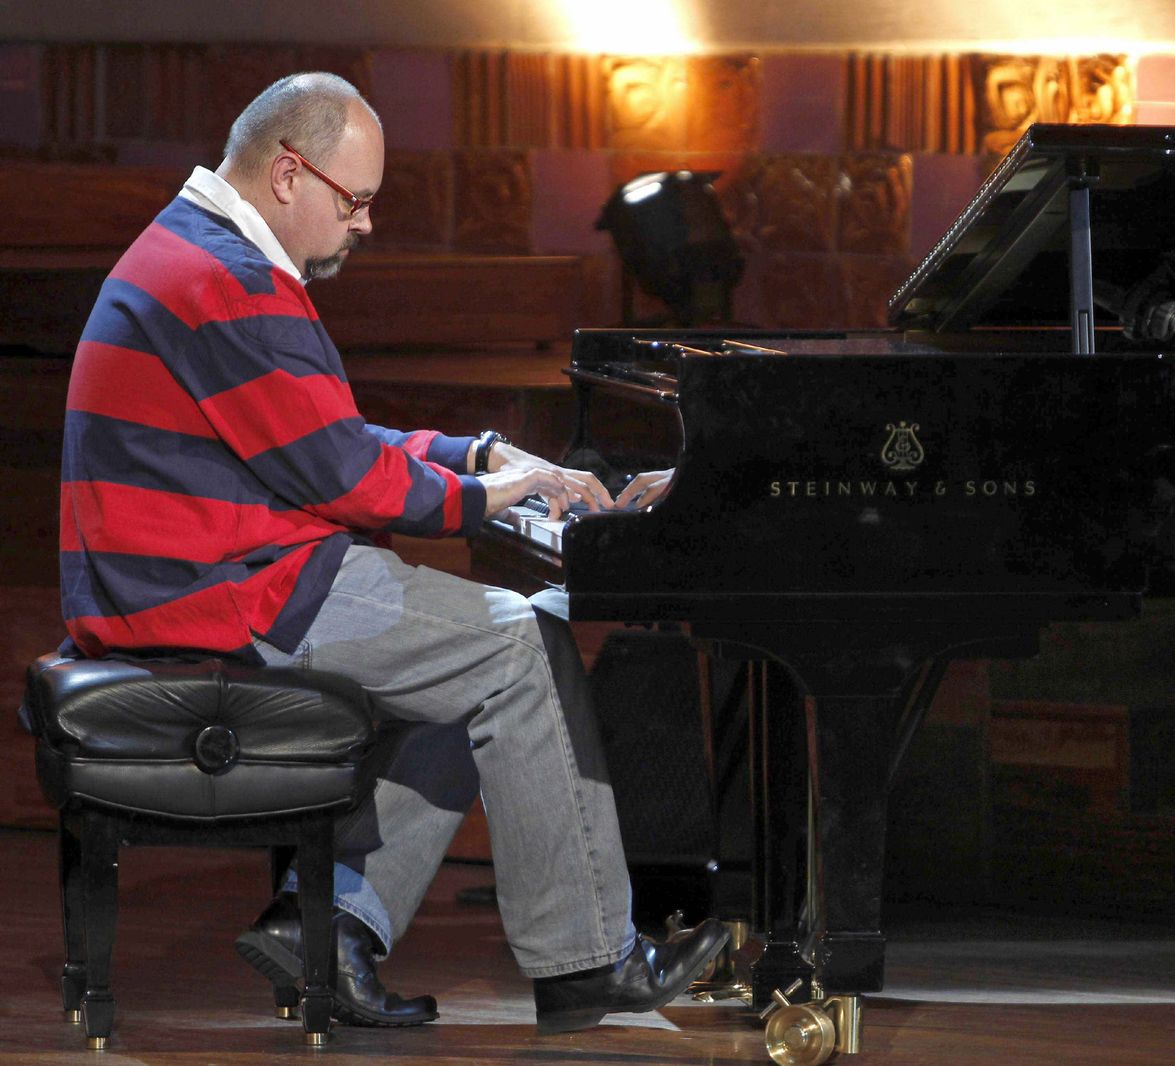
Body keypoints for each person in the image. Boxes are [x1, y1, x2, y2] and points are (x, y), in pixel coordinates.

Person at [57, 70, 721, 1034]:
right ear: (289, 174)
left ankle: (331, 928)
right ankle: (589, 963)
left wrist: (482, 455)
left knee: (491, 651)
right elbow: (342, 477)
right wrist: (486, 495)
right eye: (354, 200)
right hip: (215, 596)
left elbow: (327, 437)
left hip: (214, 573)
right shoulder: (223, 279)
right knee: (519, 648)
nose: (364, 226)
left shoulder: (205, 252)